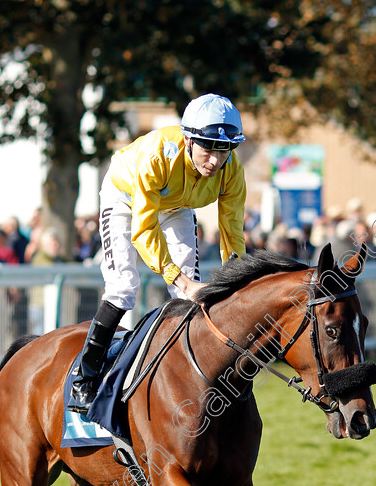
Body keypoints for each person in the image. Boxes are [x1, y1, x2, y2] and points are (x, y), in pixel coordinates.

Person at [68, 93, 247, 414]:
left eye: (225, 150)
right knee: (124, 287)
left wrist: (236, 280)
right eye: (208, 148)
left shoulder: (231, 169)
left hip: (177, 205)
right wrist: (179, 278)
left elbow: (232, 232)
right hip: (126, 198)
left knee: (187, 293)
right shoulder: (157, 157)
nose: (215, 161)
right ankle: (86, 376)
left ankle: (185, 373)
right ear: (188, 140)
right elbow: (143, 230)